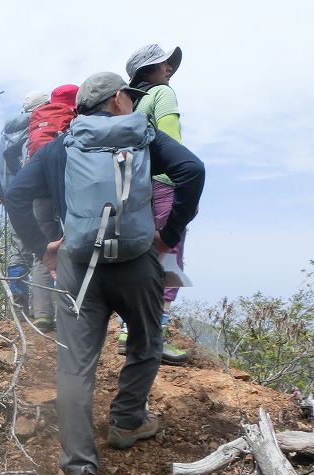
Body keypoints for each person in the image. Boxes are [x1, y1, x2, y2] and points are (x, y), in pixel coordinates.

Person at [5, 72, 205, 475]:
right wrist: (168, 234)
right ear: (117, 100)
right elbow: (192, 170)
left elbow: (16, 195)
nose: (131, 103)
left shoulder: (62, 146)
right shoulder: (144, 138)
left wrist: (43, 248)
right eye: (129, 98)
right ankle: (127, 420)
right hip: (136, 263)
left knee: (75, 366)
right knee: (147, 342)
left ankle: (79, 470)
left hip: (80, 268)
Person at [121, 43, 190, 364]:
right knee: (168, 255)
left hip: (133, 187)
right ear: (150, 69)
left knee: (139, 253)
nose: (170, 69)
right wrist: (182, 181)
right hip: (163, 185)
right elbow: (171, 139)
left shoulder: (131, 103)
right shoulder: (163, 95)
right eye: (164, 64)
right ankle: (154, 336)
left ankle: (127, 330)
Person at [26, 83, 79, 332]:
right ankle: (73, 310)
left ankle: (43, 315)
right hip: (66, 189)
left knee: (44, 251)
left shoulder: (39, 120)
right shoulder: (74, 117)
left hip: (38, 191)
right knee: (75, 246)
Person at [0, 91, 49, 314]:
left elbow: (2, 169)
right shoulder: (40, 125)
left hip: (13, 195)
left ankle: (18, 306)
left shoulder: (7, 132)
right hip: (37, 193)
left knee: (17, 249)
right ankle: (43, 311)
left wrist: (5, 195)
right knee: (41, 245)